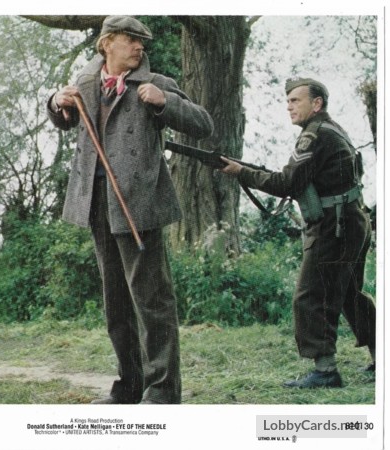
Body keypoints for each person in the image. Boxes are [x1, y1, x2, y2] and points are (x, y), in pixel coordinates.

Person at [47, 15, 213, 404]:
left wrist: (166, 103)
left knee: (153, 301)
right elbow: (63, 119)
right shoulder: (85, 83)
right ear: (107, 43)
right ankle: (129, 385)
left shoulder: (154, 83)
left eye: (142, 42)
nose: (140, 47)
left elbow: (203, 124)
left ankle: (162, 391)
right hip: (96, 204)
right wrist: (56, 102)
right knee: (116, 303)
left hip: (139, 205)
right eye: (131, 40)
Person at [221, 77, 376, 388]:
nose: (289, 107)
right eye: (288, 101)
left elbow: (286, 183)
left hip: (334, 226)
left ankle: (326, 371)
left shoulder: (314, 135)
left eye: (296, 101)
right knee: (349, 294)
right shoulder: (331, 129)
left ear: (316, 104)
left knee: (310, 296)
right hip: (352, 220)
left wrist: (241, 172)